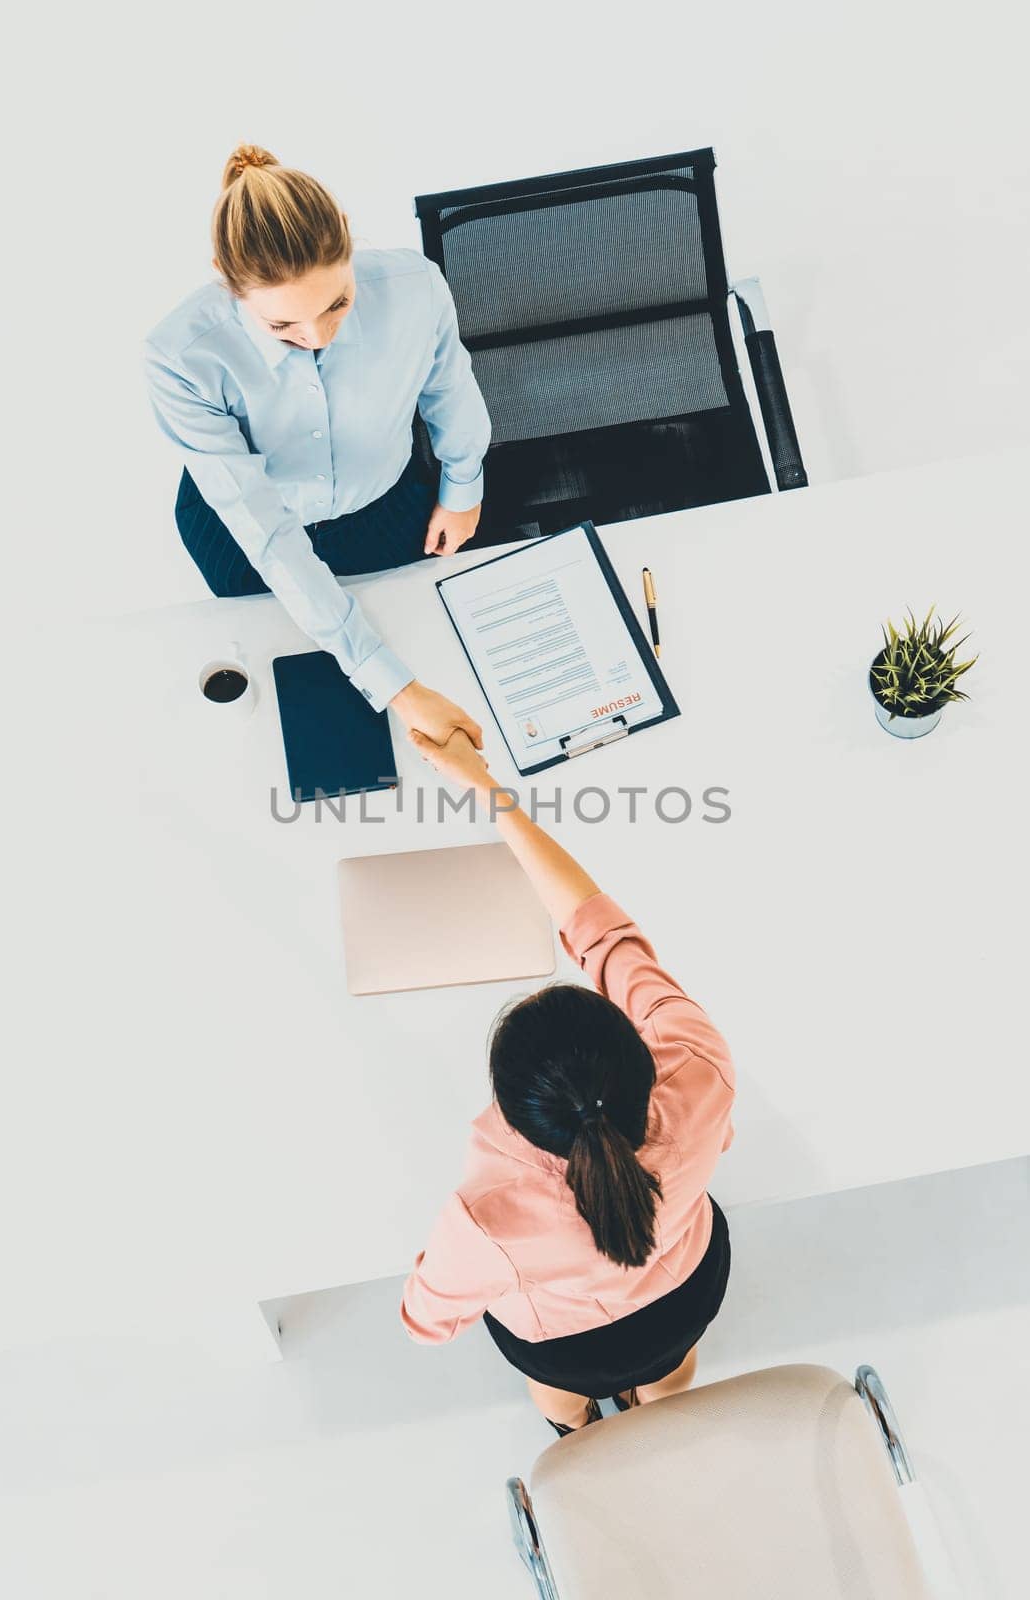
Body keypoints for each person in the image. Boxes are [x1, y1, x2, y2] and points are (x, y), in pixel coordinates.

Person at [400, 730, 736, 1435]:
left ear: (516, 1113)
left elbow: (425, 1323)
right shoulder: (698, 1068)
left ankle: (580, 1436)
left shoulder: (486, 1214)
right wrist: (492, 795)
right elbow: (609, 940)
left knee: (556, 1398)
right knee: (671, 1374)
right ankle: (662, 1418)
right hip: (683, 1295)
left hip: (569, 1351)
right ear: (641, 1059)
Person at [142, 144, 491, 746]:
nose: (317, 336)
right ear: (229, 288)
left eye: (337, 304)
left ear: (350, 243)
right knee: (286, 678)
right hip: (246, 532)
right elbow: (268, 533)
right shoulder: (179, 357)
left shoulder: (416, 286)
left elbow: (449, 387)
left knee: (424, 635)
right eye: (281, 327)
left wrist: (463, 485)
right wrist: (396, 689)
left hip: (383, 504)